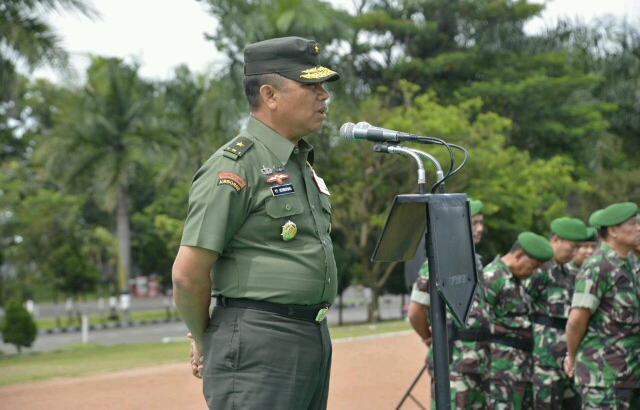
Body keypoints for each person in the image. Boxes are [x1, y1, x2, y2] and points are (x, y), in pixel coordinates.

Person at [171, 36, 340, 410]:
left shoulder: (297, 163)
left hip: (310, 336)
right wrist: (207, 338)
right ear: (270, 95)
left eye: (322, 85)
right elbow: (187, 275)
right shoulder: (235, 165)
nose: (323, 95)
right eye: (310, 85)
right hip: (259, 344)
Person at [407, 199, 490, 409]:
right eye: (474, 223)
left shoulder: (476, 260)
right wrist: (428, 337)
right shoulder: (439, 262)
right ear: (459, 224)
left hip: (479, 360)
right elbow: (415, 311)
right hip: (453, 360)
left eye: (481, 222)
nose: (480, 229)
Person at [564, 202, 640, 409]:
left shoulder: (628, 265)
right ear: (614, 230)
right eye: (633, 224)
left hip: (627, 375)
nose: (638, 228)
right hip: (603, 377)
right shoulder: (598, 266)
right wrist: (571, 356)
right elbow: (576, 321)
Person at [482, 232, 554, 410]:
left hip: (521, 369)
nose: (535, 272)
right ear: (519, 255)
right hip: (500, 370)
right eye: (534, 266)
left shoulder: (517, 281)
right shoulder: (492, 277)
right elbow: (478, 321)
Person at [526, 217, 588, 409]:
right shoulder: (538, 270)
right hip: (543, 361)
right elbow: (522, 308)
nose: (575, 252)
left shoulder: (566, 273)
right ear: (556, 240)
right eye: (572, 246)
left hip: (567, 360)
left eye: (579, 247)